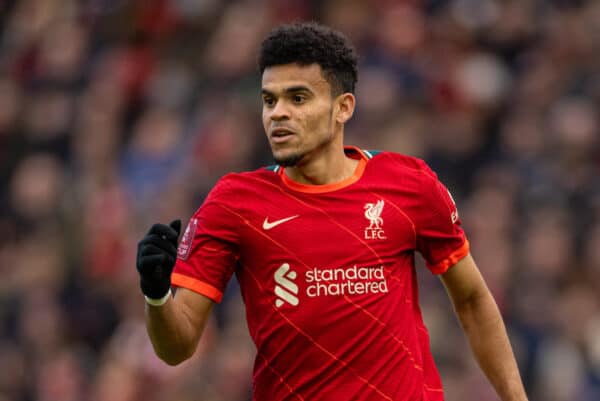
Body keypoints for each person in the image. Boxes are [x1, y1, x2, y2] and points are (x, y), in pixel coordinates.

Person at [136, 22, 528, 401]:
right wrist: (157, 296)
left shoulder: (409, 184)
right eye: (269, 100)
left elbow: (473, 301)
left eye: (298, 98)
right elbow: (177, 348)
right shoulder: (234, 202)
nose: (278, 113)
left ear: (343, 108)